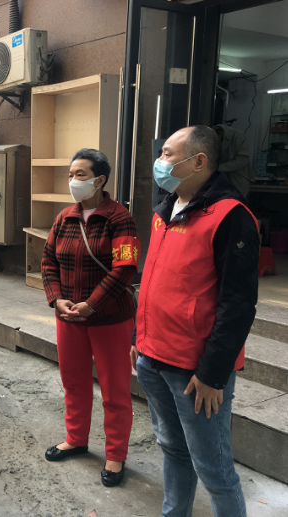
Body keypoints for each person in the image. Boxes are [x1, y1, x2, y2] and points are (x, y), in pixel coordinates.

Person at [133, 125, 259, 517]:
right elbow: (153, 282)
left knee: (214, 468)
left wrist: (213, 374)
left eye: (168, 154)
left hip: (194, 371)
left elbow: (238, 304)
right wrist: (139, 337)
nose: (160, 161)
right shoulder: (164, 211)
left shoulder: (230, 216)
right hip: (152, 357)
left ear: (199, 161)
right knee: (172, 449)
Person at [41, 148, 140, 487]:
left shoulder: (119, 218)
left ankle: (116, 454)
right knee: (74, 382)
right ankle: (76, 439)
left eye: (80, 174)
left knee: (115, 389)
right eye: (70, 174)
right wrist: (57, 300)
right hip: (69, 317)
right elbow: (48, 261)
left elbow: (125, 268)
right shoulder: (64, 218)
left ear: (100, 180)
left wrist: (92, 305)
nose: (73, 180)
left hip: (110, 320)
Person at [213, 124, 255, 198]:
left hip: (238, 179)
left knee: (237, 201)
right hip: (223, 181)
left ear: (219, 133)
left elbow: (243, 160)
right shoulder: (218, 138)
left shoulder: (238, 137)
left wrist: (219, 167)